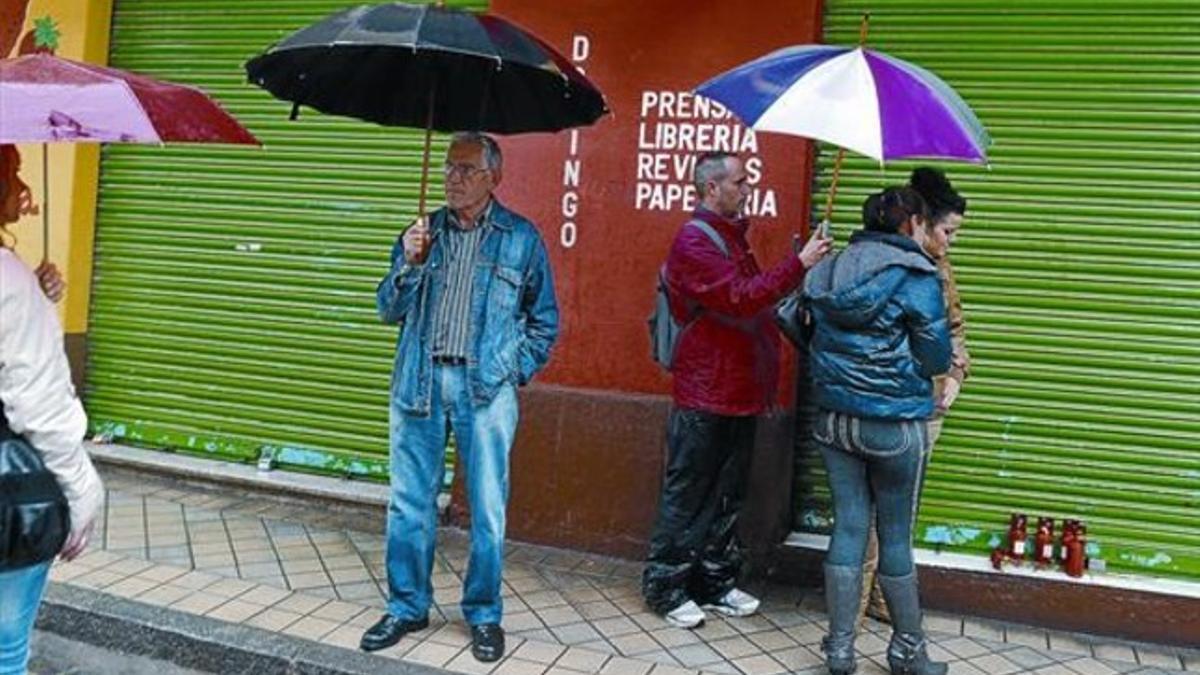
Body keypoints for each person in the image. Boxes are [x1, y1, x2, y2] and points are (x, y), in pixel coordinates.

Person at [361, 133, 559, 663]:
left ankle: (483, 613)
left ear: (494, 177)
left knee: (489, 510)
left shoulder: (520, 238)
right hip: (419, 386)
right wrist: (408, 261)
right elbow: (387, 309)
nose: (453, 178)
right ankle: (407, 605)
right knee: (409, 505)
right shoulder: (421, 234)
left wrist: (512, 369)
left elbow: (544, 321)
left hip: (485, 391)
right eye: (449, 168)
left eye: (467, 169)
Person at [641, 151, 832, 629]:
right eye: (741, 182)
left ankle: (713, 582)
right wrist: (798, 264)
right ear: (711, 188)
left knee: (727, 495)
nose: (748, 190)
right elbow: (739, 297)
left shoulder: (732, 238)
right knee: (688, 493)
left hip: (739, 391)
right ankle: (666, 588)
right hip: (705, 393)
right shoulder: (694, 242)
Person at [804, 186, 951, 675]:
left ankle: (841, 650)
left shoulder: (828, 268)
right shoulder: (916, 275)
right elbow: (936, 357)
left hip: (833, 419)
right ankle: (908, 651)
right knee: (894, 536)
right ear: (909, 224)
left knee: (847, 526)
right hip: (893, 424)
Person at [0, 144, 104, 674]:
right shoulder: (7, 280)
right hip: (9, 501)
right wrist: (83, 488)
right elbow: (37, 402)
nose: (26, 190)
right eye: (14, 174)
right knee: (4, 649)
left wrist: (35, 299)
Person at [857, 168, 970, 625]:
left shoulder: (940, 268)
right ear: (918, 224)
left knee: (902, 506)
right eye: (947, 231)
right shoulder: (880, 264)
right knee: (864, 507)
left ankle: (884, 598)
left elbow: (956, 328)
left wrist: (958, 374)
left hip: (927, 405)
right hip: (887, 402)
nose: (952, 241)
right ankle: (856, 601)